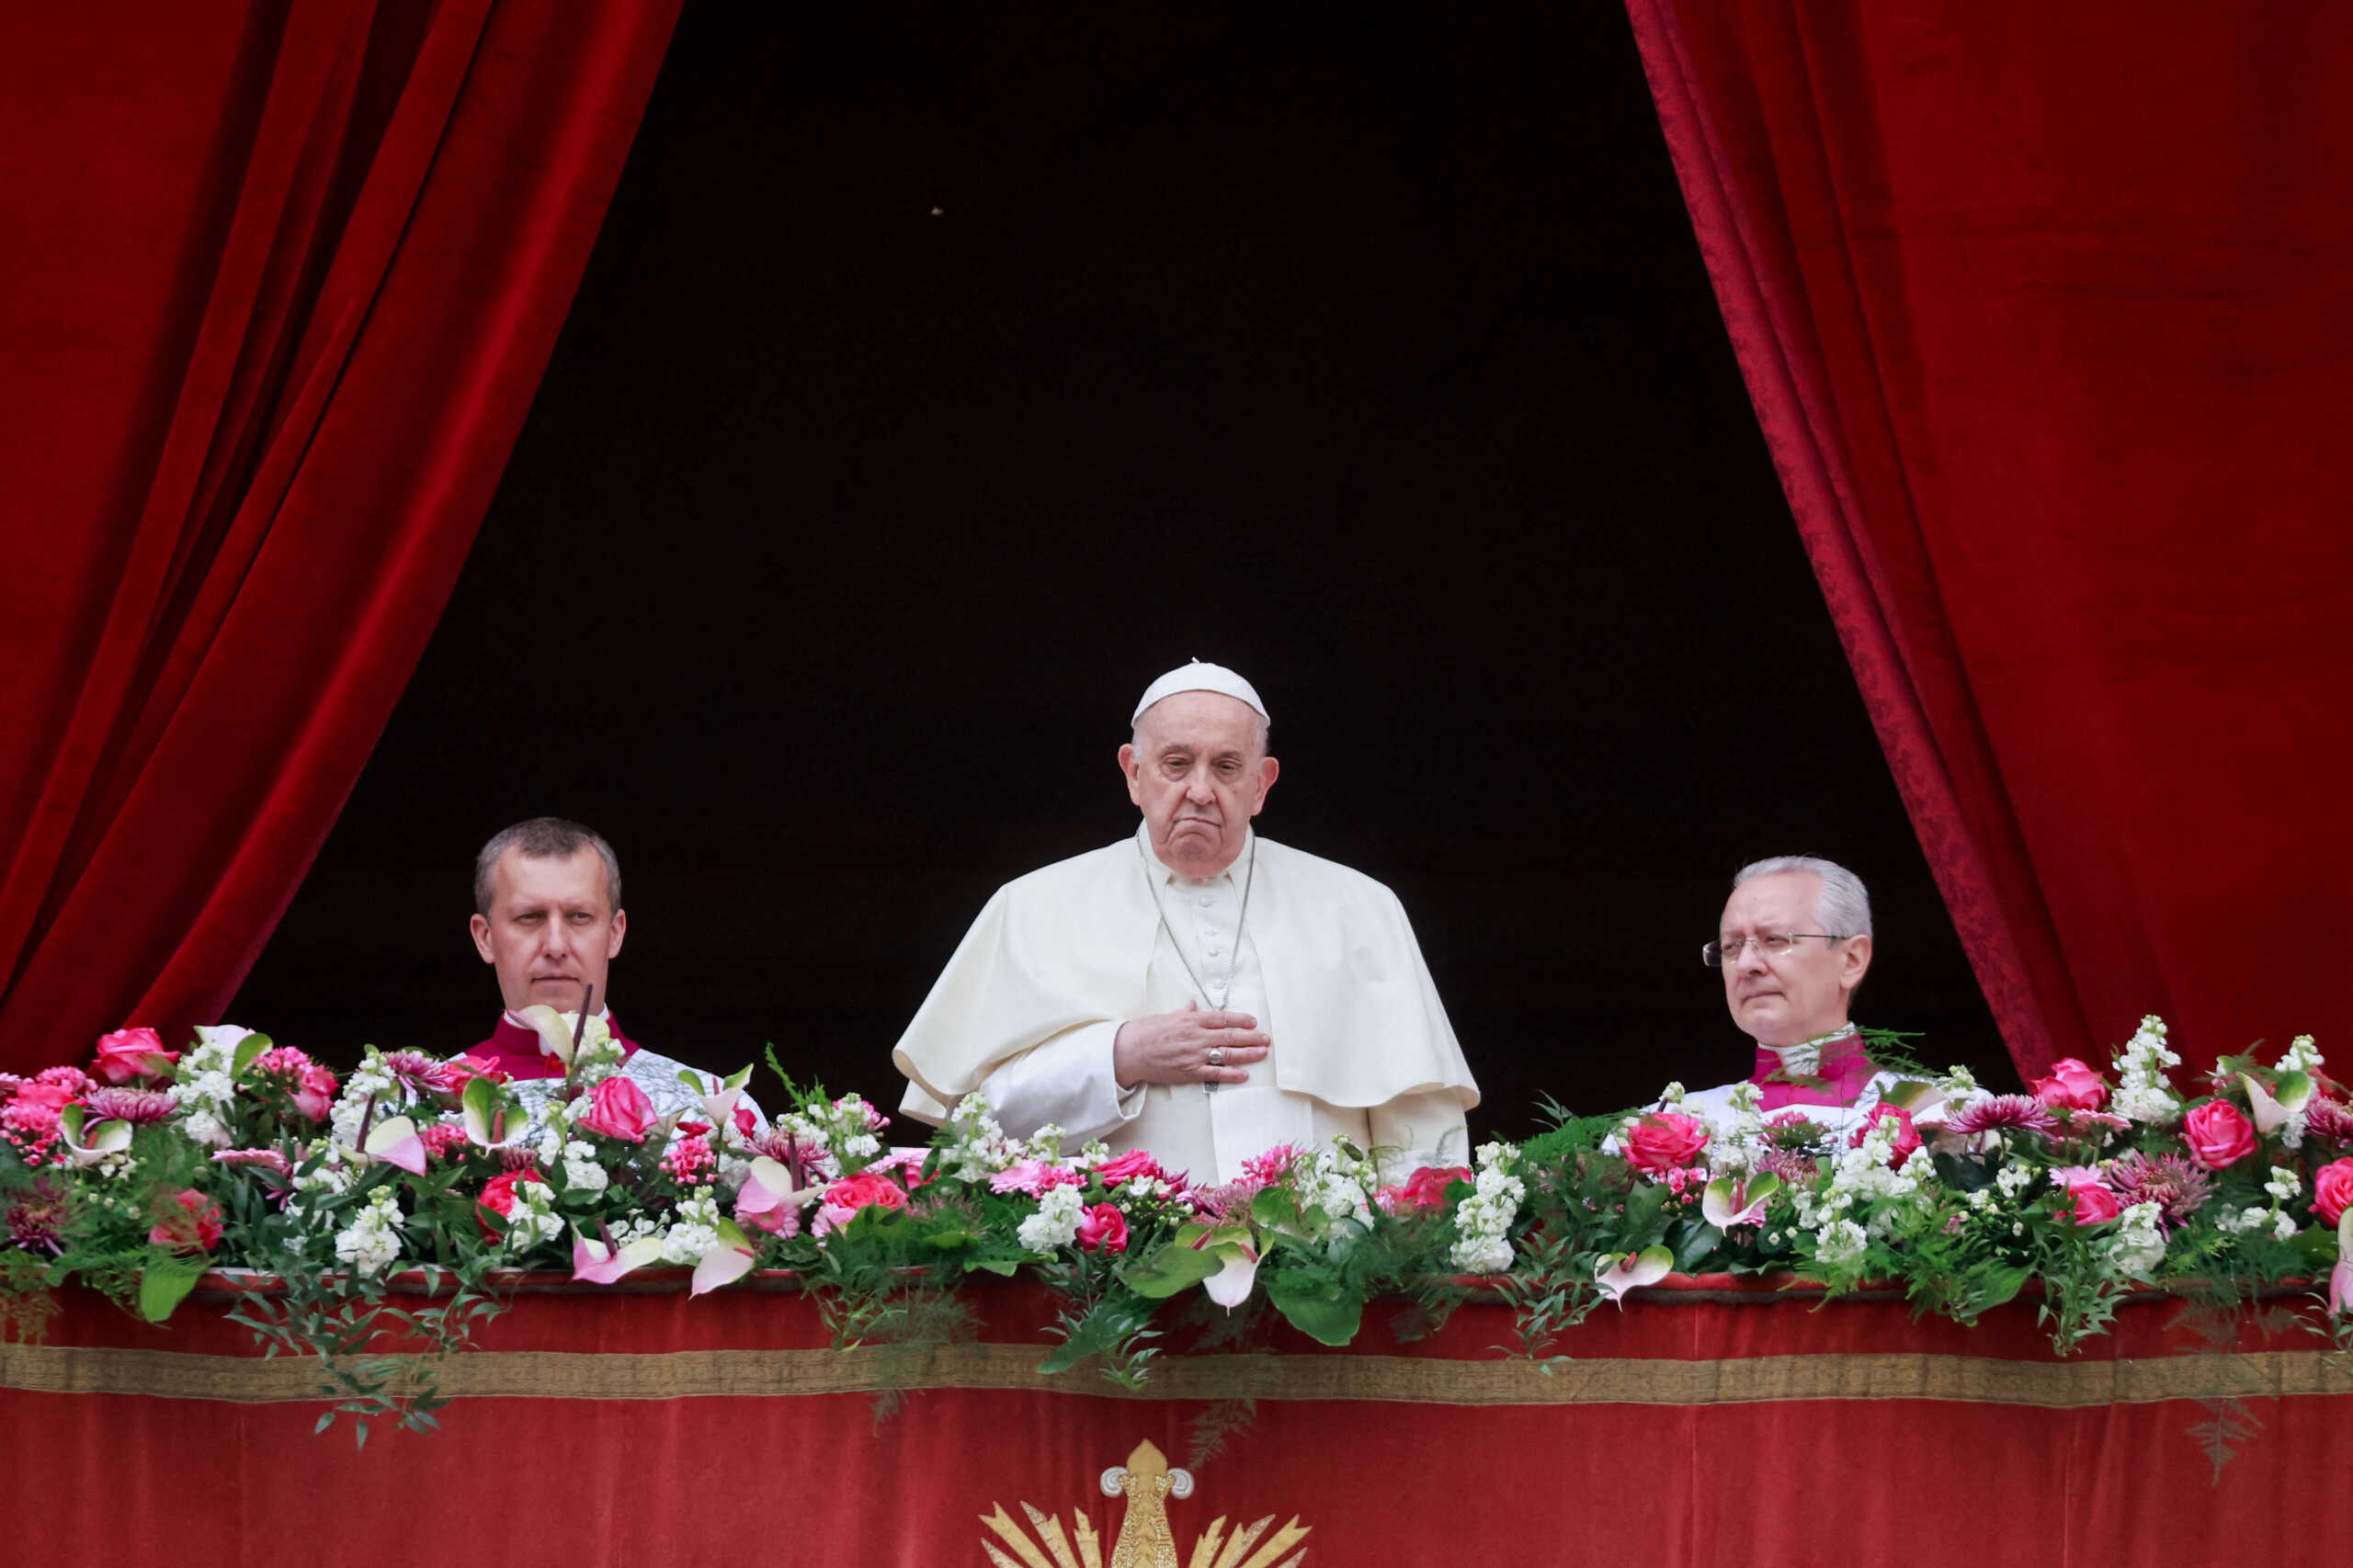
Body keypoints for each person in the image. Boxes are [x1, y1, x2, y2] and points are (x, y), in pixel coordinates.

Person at [892, 662, 1477, 1184]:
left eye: (1226, 767)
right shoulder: (1029, 906)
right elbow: (974, 1130)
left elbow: (1422, 1134)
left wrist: (1409, 1261)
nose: (1200, 790)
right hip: (1104, 1286)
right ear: (1133, 772)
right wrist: (1117, 1057)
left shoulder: (1361, 907)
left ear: (1261, 784)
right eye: (1176, 764)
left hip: (1323, 1278)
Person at [465, 816, 708, 1117]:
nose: (555, 946)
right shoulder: (414, 1107)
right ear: (485, 938)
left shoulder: (705, 1107)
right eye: (529, 917)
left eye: (580, 916)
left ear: (615, 933)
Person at [1677, 854, 1901, 1133]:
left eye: (1774, 940)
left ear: (1851, 960)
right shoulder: (1673, 1132)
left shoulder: (1944, 1119)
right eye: (1731, 946)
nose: (1746, 965)